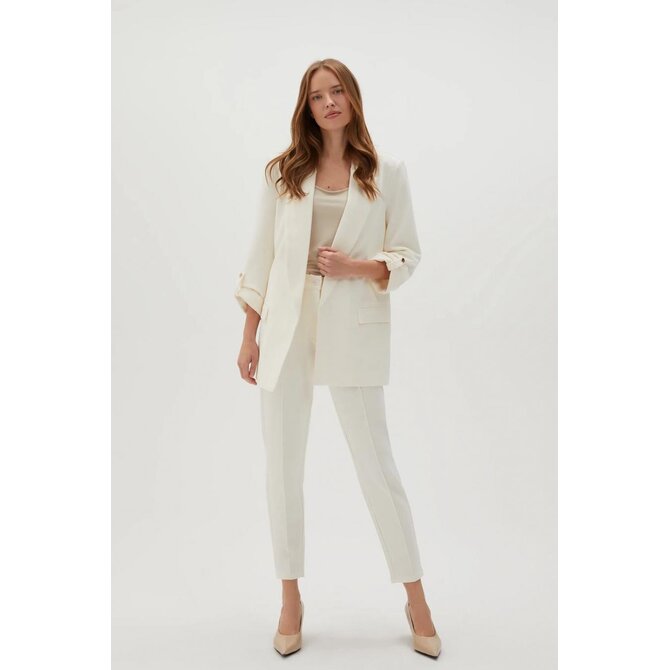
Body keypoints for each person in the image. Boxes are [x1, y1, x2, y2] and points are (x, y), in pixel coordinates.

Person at [235, 58, 441, 658]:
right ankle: (290, 598)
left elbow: (407, 253)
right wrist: (249, 333)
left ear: (353, 98)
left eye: (337, 91)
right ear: (306, 106)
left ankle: (417, 598)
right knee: (283, 466)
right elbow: (261, 257)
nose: (328, 102)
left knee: (376, 465)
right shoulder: (283, 174)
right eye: (317, 95)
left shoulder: (386, 173)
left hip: (352, 323)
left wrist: (356, 267)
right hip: (287, 324)